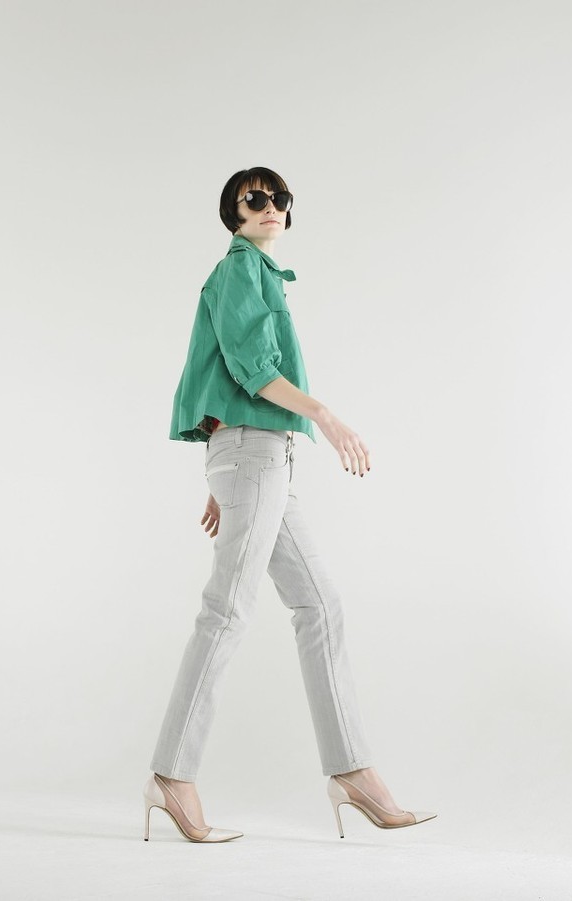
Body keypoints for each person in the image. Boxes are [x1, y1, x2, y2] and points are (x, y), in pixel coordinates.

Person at [142, 167, 437, 843]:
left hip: (261, 459)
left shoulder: (262, 276)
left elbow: (219, 377)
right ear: (233, 212)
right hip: (254, 455)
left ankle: (352, 771)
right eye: (255, 199)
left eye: (279, 198)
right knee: (227, 610)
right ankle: (171, 774)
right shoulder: (237, 271)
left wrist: (223, 472)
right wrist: (324, 416)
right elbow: (251, 369)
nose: (270, 206)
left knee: (320, 605)